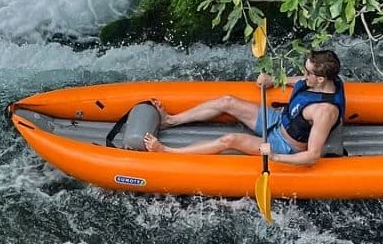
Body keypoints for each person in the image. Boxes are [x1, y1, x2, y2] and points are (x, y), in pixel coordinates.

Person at [143, 50, 346, 166]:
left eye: (308, 72)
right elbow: (302, 81)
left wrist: (274, 156)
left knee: (230, 140)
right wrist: (273, 79)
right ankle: (171, 120)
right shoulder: (321, 80)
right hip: (277, 119)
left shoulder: (325, 111)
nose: (304, 73)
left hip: (284, 144)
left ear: (321, 79)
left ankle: (168, 151)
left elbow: (312, 155)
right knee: (227, 101)